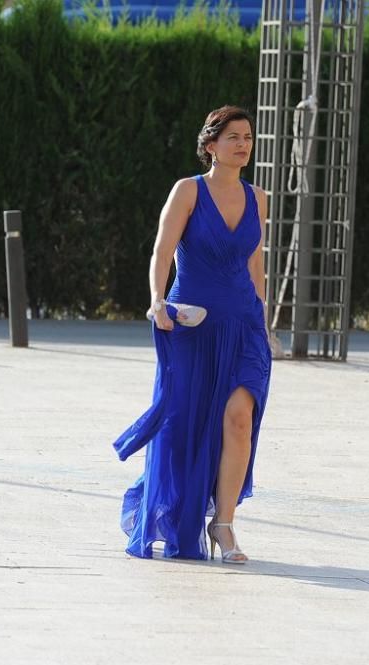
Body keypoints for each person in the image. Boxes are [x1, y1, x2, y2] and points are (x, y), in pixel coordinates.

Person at [112, 105, 272, 564]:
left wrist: (263, 323)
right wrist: (156, 300)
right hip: (193, 326)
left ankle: (224, 524)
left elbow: (254, 263)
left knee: (240, 417)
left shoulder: (259, 198)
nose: (242, 144)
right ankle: (169, 510)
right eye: (233, 137)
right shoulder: (187, 191)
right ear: (211, 146)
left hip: (243, 327)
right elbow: (162, 251)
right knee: (184, 426)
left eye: (247, 137)